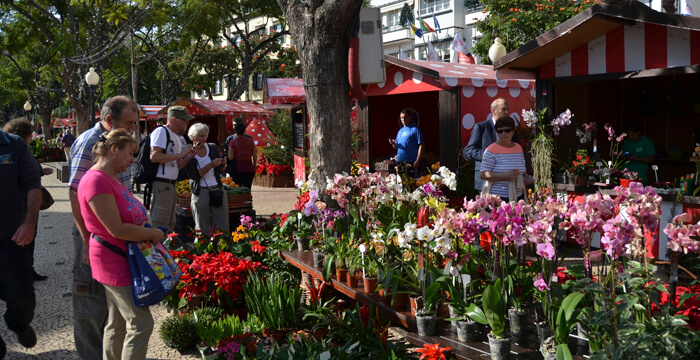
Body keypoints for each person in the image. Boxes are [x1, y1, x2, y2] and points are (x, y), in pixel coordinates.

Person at [77, 129, 164, 359]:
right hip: (114, 259)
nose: (133, 160)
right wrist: (153, 233)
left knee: (117, 323)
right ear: (114, 150)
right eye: (130, 153)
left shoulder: (109, 176)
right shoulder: (96, 180)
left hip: (120, 256)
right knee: (141, 323)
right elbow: (115, 228)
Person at [68, 95, 138, 359]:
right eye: (129, 123)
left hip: (117, 232)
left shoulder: (118, 143)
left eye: (134, 123)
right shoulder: (89, 142)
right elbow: (75, 194)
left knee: (112, 306)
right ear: (109, 120)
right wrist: (86, 240)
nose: (133, 128)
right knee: (90, 302)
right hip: (96, 233)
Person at [0, 127, 41, 358]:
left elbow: (33, 184)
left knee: (22, 296)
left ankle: (19, 324)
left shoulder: (14, 144)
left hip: (11, 237)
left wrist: (29, 222)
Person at [2, 119, 53, 281]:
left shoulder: (14, 146)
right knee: (25, 241)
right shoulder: (18, 147)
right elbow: (31, 174)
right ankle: (25, 270)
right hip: (22, 207)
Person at [149, 106, 196, 232]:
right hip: (162, 183)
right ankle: (157, 249)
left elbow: (177, 165)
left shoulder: (175, 136)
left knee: (170, 222)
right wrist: (180, 155)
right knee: (160, 222)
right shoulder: (161, 132)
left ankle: (166, 249)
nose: (187, 123)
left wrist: (188, 157)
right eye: (185, 120)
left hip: (170, 184)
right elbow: (154, 156)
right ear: (174, 119)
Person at [463, 98, 519, 191]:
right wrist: (489, 156)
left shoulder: (511, 129)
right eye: (503, 109)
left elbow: (517, 149)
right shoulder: (481, 127)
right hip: (486, 177)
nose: (506, 112)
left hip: (505, 180)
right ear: (494, 111)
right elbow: (469, 150)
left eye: (508, 109)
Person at [184, 123, 229, 237]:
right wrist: (211, 165)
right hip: (201, 191)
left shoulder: (212, 147)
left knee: (221, 226)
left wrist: (223, 164)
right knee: (201, 227)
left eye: (205, 135)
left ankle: (222, 250)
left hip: (217, 189)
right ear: (193, 137)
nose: (204, 138)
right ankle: (203, 251)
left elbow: (220, 170)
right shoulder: (189, 153)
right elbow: (195, 176)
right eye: (201, 136)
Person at [479, 116, 532, 202]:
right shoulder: (491, 149)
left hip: (518, 196)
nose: (503, 133)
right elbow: (483, 174)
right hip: (498, 198)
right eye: (500, 131)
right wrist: (504, 175)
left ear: (513, 131)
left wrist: (526, 177)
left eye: (507, 130)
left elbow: (522, 170)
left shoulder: (518, 148)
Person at [388, 108, 424, 176]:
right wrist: (392, 143)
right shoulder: (400, 131)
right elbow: (396, 147)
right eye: (401, 118)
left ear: (410, 117)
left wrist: (418, 160)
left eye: (405, 117)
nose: (403, 120)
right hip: (400, 162)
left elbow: (421, 145)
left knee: (411, 183)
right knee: (401, 183)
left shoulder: (415, 130)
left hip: (411, 162)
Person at [228, 121, 257, 189]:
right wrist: (254, 166)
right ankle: (249, 199)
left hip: (237, 170)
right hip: (249, 169)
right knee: (247, 189)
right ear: (244, 130)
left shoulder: (232, 142)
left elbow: (230, 157)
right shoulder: (250, 141)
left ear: (235, 130)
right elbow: (255, 155)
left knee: (238, 190)